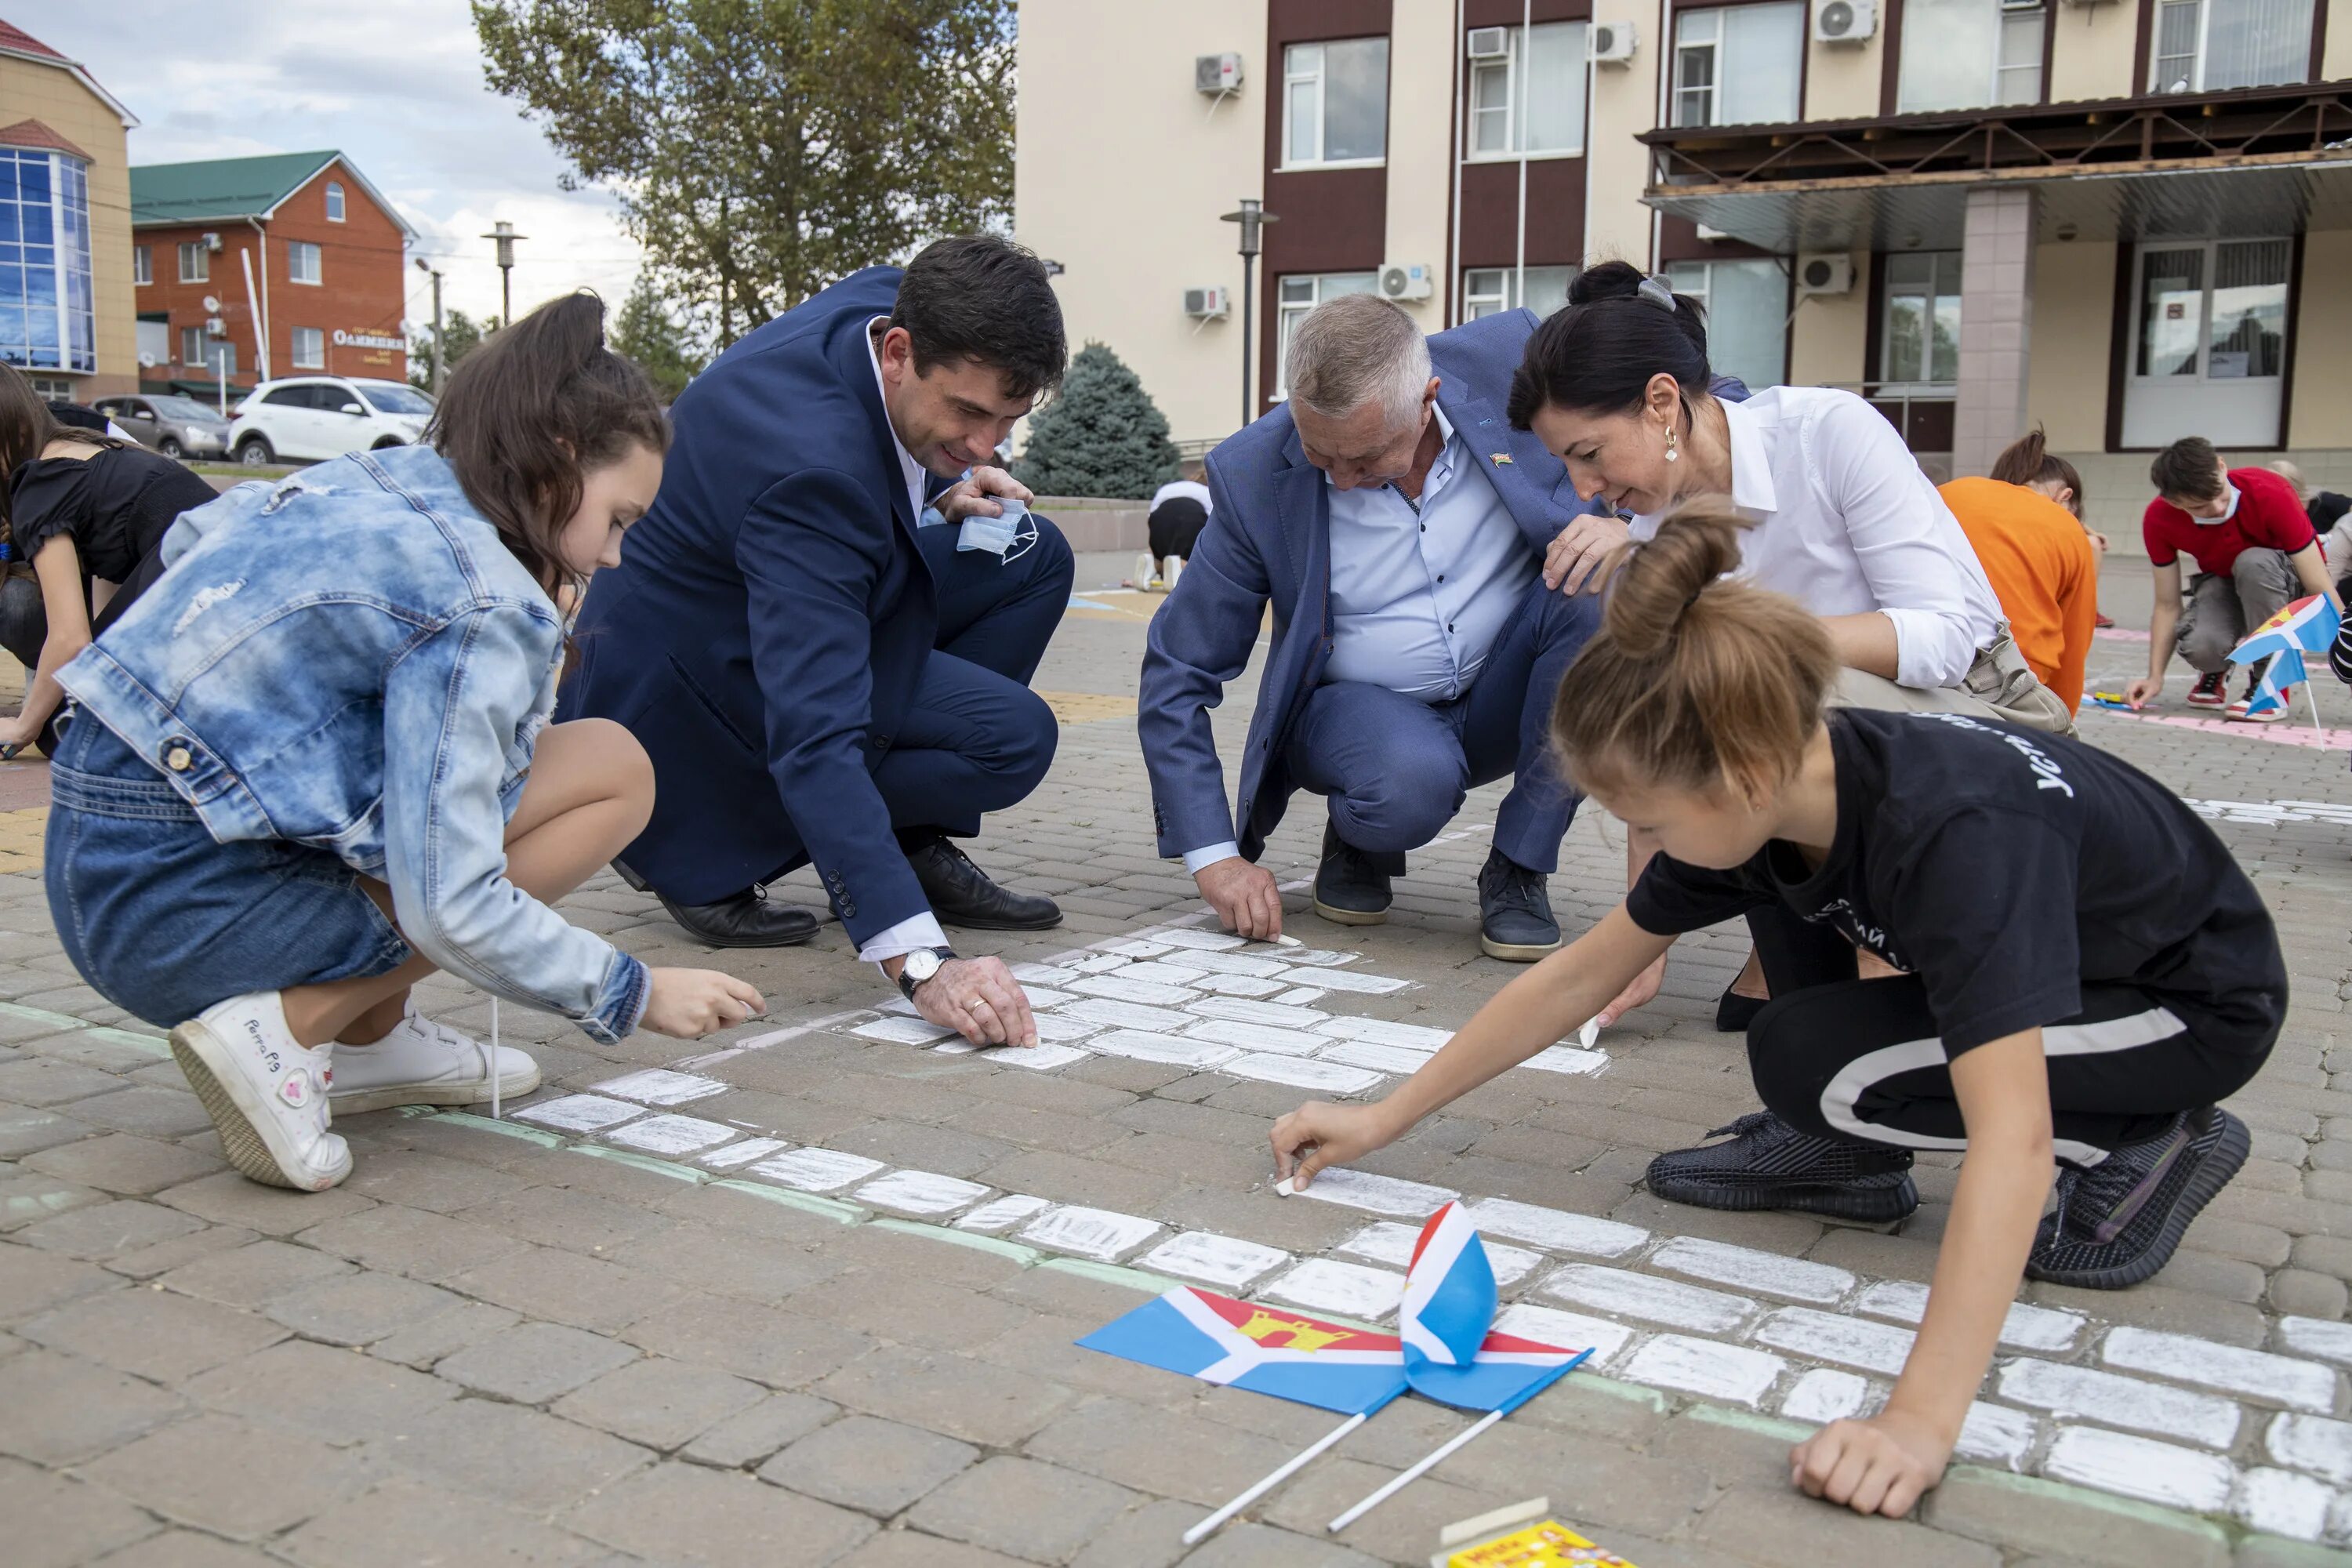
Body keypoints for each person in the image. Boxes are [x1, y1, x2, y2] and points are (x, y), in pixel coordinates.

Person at [1272, 503, 2281, 1518]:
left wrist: (1918, 1427)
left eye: (1650, 821)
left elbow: (2008, 1140)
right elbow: (1581, 974)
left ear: (1743, 777)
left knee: (1841, 1073)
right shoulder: (1774, 785)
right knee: (1801, 1060)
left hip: (2189, 1005)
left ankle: (2147, 1140)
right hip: (2083, 970)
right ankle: (1858, 1152)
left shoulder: (1956, 838)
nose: (1644, 843)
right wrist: (1381, 1116)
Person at [44, 292, 765, 1192]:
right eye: (618, 518)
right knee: (608, 784)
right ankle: (291, 1029)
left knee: (604, 758)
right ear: (558, 461)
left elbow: (194, 536)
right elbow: (450, 896)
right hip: (175, 918)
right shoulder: (486, 598)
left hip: (96, 849)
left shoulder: (378, 479)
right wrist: (632, 989)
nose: (615, 554)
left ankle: (375, 1040)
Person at [1510, 262, 2070, 1044]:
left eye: (1590, 453)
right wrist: (1639, 943)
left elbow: (1942, 635)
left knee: (1768, 695)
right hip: (1836, 728)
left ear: (1664, 404)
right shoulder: (1654, 535)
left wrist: (1749, 642)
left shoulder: (1829, 432)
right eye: (1565, 464)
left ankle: (1888, 1007)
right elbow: (1657, 744)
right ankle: (1811, 1012)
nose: (1580, 488)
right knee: (1710, 704)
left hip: (1986, 715)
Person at [567, 237, 1068, 1048]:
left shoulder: (888, 300)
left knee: (1029, 550)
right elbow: (814, 734)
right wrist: (919, 960)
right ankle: (708, 848)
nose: (988, 443)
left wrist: (944, 479)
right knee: (1012, 736)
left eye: (1009, 418)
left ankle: (902, 836)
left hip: (769, 588)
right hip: (690, 692)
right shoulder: (813, 478)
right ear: (901, 352)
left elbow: (895, 457)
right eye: (969, 415)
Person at [1139, 293, 1651, 960]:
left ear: (1429, 399)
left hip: (1508, 689)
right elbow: (1179, 668)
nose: (1344, 480)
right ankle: (1362, 833)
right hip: (1356, 719)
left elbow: (1701, 394)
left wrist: (1633, 527)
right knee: (1407, 785)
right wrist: (1214, 860)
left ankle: (1519, 866)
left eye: (1366, 456)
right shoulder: (1252, 473)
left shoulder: (1516, 358)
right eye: (1324, 457)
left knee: (1604, 589)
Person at [0, 365, 220, 757]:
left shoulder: (39, 486)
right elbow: (115, 570)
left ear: (13, 429)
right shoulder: (86, 447)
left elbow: (70, 636)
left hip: (199, 577)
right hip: (228, 564)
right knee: (78, 703)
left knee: (60, 731)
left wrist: (23, 726)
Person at [2125, 437, 2338, 722]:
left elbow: (2318, 583)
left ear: (2222, 467)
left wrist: (2345, 647)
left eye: (2222, 496)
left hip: (2280, 581)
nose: (2216, 509)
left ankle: (2270, 685)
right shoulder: (2159, 519)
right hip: (2224, 579)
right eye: (2199, 507)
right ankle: (2216, 669)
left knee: (2253, 562)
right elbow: (2166, 604)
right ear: (2173, 502)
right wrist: (2154, 677)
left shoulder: (2269, 491)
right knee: (2201, 646)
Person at [1940, 429, 2100, 714]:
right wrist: (2058, 724)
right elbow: (2072, 653)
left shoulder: (1951, 491)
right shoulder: (2068, 528)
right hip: (2011, 685)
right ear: (2064, 497)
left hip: (1924, 663)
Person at [2272, 459, 2352, 598]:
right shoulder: (2274, 515)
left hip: (2335, 570)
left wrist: (2335, 537)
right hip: (2298, 573)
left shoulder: (2325, 503)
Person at [1141, 467, 1211, 590]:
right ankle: (1179, 569)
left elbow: (1150, 520)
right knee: (1189, 559)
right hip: (1191, 519)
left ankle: (1152, 563)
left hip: (1159, 520)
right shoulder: (1209, 493)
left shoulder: (1169, 488)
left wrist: (1155, 551)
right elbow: (1214, 527)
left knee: (1163, 559)